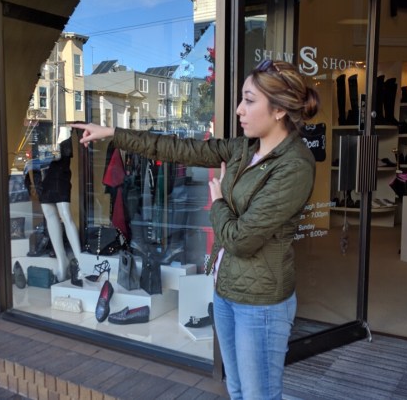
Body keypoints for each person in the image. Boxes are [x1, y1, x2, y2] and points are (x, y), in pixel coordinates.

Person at [73, 59, 319, 400]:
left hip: (260, 304)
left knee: (259, 395)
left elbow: (241, 240)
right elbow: (178, 148)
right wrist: (115, 135)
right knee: (236, 389)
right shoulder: (243, 149)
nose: (238, 109)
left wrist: (217, 204)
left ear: (278, 109)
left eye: (249, 100)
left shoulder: (294, 166)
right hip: (226, 291)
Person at [27, 127, 82, 283]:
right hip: (40, 161)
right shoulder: (36, 106)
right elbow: (29, 123)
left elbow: (66, 138)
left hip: (57, 158)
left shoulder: (60, 105)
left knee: (65, 213)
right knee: (49, 212)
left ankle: (80, 262)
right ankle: (61, 260)